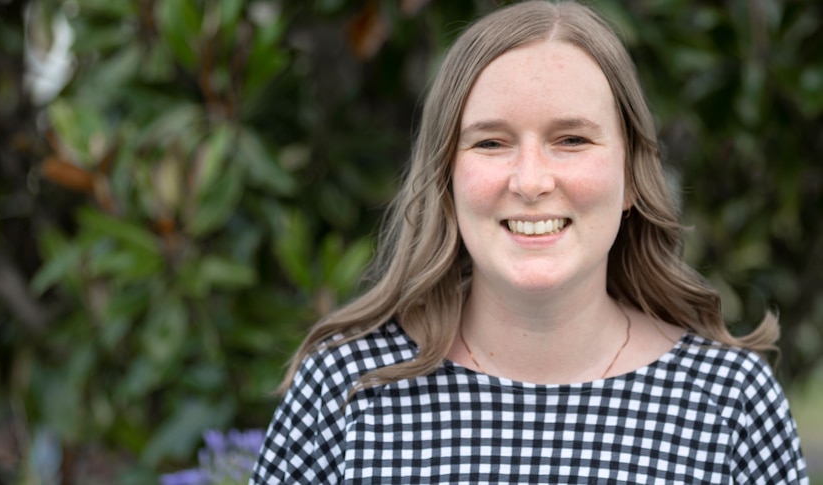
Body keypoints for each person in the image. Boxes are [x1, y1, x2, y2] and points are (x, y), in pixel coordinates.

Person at [250, 1, 809, 483]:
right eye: (491, 143)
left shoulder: (730, 403)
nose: (532, 181)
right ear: (446, 178)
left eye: (571, 139)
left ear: (633, 176)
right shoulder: (347, 394)